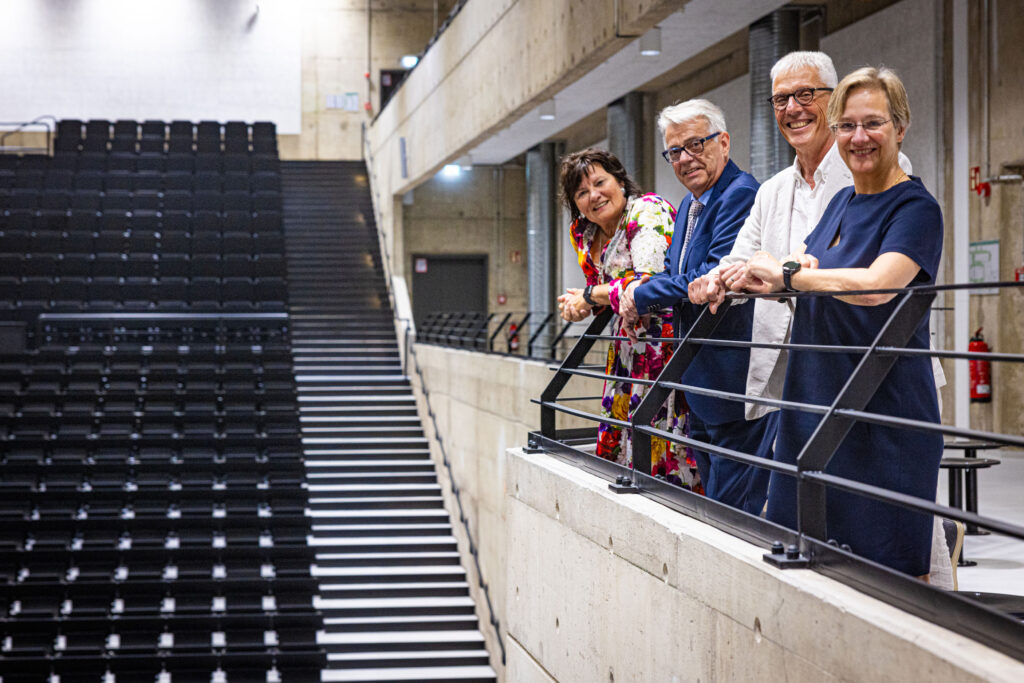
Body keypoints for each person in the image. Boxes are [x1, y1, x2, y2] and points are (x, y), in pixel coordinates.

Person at [692, 51, 951, 587]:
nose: (860, 136)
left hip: (880, 407)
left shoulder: (916, 208)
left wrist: (789, 277)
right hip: (814, 400)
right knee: (807, 559)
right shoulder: (840, 205)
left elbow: (876, 286)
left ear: (900, 128)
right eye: (850, 126)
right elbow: (804, 267)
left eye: (873, 123)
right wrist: (755, 275)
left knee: (890, 578)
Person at [618, 99, 770, 515]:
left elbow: (709, 273)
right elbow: (673, 273)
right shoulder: (688, 205)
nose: (685, 159)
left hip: (733, 379)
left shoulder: (741, 195)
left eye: (696, 144)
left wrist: (639, 294)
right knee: (713, 508)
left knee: (733, 514)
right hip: (699, 380)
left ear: (723, 142)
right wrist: (642, 297)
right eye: (674, 152)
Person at [555, 149, 697, 489]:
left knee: (664, 445)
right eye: (582, 193)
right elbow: (604, 291)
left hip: (664, 344)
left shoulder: (648, 210)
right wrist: (581, 303)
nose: (594, 196)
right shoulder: (584, 233)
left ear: (620, 180)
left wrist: (590, 296)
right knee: (622, 451)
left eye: (600, 182)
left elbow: (649, 283)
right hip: (624, 352)